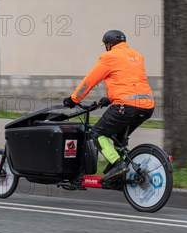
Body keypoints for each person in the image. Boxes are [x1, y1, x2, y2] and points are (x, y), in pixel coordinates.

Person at [63, 30, 155, 181]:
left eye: (105, 45)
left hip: (125, 107)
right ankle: (120, 171)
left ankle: (118, 164)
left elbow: (89, 81)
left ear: (109, 44)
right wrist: (110, 98)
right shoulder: (137, 57)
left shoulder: (109, 56)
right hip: (147, 107)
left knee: (97, 134)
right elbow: (130, 83)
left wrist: (74, 99)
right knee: (119, 137)